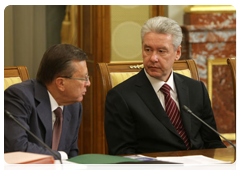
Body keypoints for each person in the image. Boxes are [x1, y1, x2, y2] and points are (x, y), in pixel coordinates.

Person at [105, 16, 226, 155]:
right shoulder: (121, 96)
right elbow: (123, 154)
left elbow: (212, 142)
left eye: (161, 51)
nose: (153, 58)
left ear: (177, 53)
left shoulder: (196, 89)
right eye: (148, 50)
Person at [4, 44, 91, 159]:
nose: (88, 83)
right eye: (83, 78)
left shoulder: (74, 106)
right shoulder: (19, 97)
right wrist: (61, 156)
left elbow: (72, 154)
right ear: (61, 83)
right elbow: (18, 147)